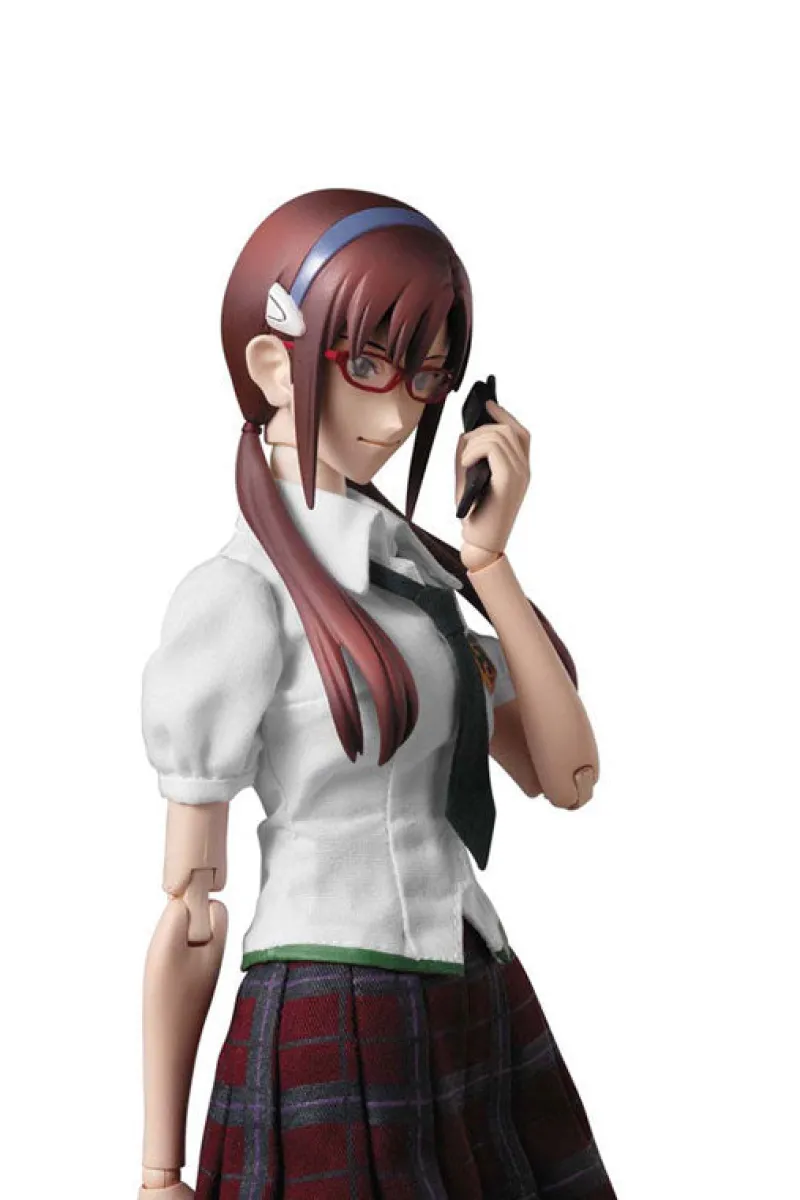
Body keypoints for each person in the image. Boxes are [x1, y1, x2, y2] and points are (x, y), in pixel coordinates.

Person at [139, 188, 616, 1199]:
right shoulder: (238, 598)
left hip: (473, 980)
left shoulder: (415, 578)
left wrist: (489, 563)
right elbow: (191, 904)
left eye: (427, 375)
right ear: (276, 365)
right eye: (367, 365)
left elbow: (567, 776)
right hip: (335, 992)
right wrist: (156, 1167)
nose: (402, 413)